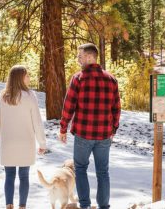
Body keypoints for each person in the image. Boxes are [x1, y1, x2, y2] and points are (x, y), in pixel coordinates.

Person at [59, 43, 121, 209]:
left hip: (83, 134)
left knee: (80, 169)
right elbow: (117, 108)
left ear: (89, 57)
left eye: (80, 56)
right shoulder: (111, 79)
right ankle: (103, 207)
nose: (78, 60)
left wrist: (63, 128)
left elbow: (69, 106)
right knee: (103, 172)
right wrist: (113, 129)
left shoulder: (78, 78)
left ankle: (85, 206)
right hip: (104, 135)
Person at [0, 65, 47, 209]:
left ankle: (9, 205)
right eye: (27, 75)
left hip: (8, 144)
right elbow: (37, 122)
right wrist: (42, 143)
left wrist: (3, 140)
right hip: (26, 143)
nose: (29, 78)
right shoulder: (30, 96)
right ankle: (22, 206)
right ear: (20, 78)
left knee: (9, 176)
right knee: (24, 176)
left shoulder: (4, 96)